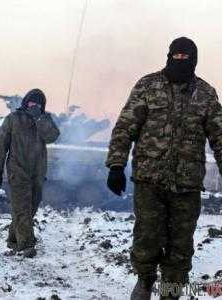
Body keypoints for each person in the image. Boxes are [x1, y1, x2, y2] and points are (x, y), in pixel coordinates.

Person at [106, 37, 222, 300]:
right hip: (150, 181)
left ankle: (170, 294)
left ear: (194, 60)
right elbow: (125, 127)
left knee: (180, 248)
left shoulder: (205, 93)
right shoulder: (148, 85)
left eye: (186, 58)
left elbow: (219, 136)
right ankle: (145, 281)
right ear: (169, 56)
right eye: (176, 57)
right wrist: (116, 164)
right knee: (147, 239)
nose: (180, 62)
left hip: (187, 185)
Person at [0, 89, 60, 258]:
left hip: (37, 173)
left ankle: (13, 240)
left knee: (30, 209)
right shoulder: (13, 119)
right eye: (32, 102)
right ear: (25, 103)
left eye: (38, 104)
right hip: (17, 170)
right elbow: (0, 148)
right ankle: (26, 245)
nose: (35, 105)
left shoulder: (44, 119)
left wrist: (40, 119)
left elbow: (53, 136)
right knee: (22, 208)